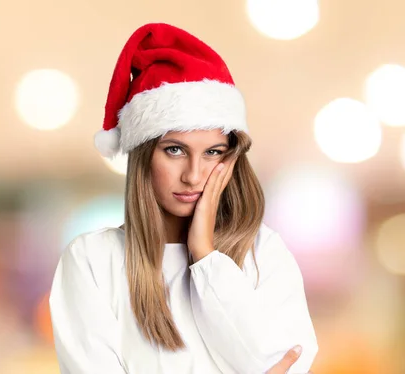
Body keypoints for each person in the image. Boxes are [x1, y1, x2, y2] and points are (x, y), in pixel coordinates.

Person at [49, 23, 319, 374]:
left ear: (231, 159)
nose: (193, 175)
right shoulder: (92, 261)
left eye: (212, 152)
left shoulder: (263, 253)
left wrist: (206, 256)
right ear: (144, 154)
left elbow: (284, 363)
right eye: (175, 150)